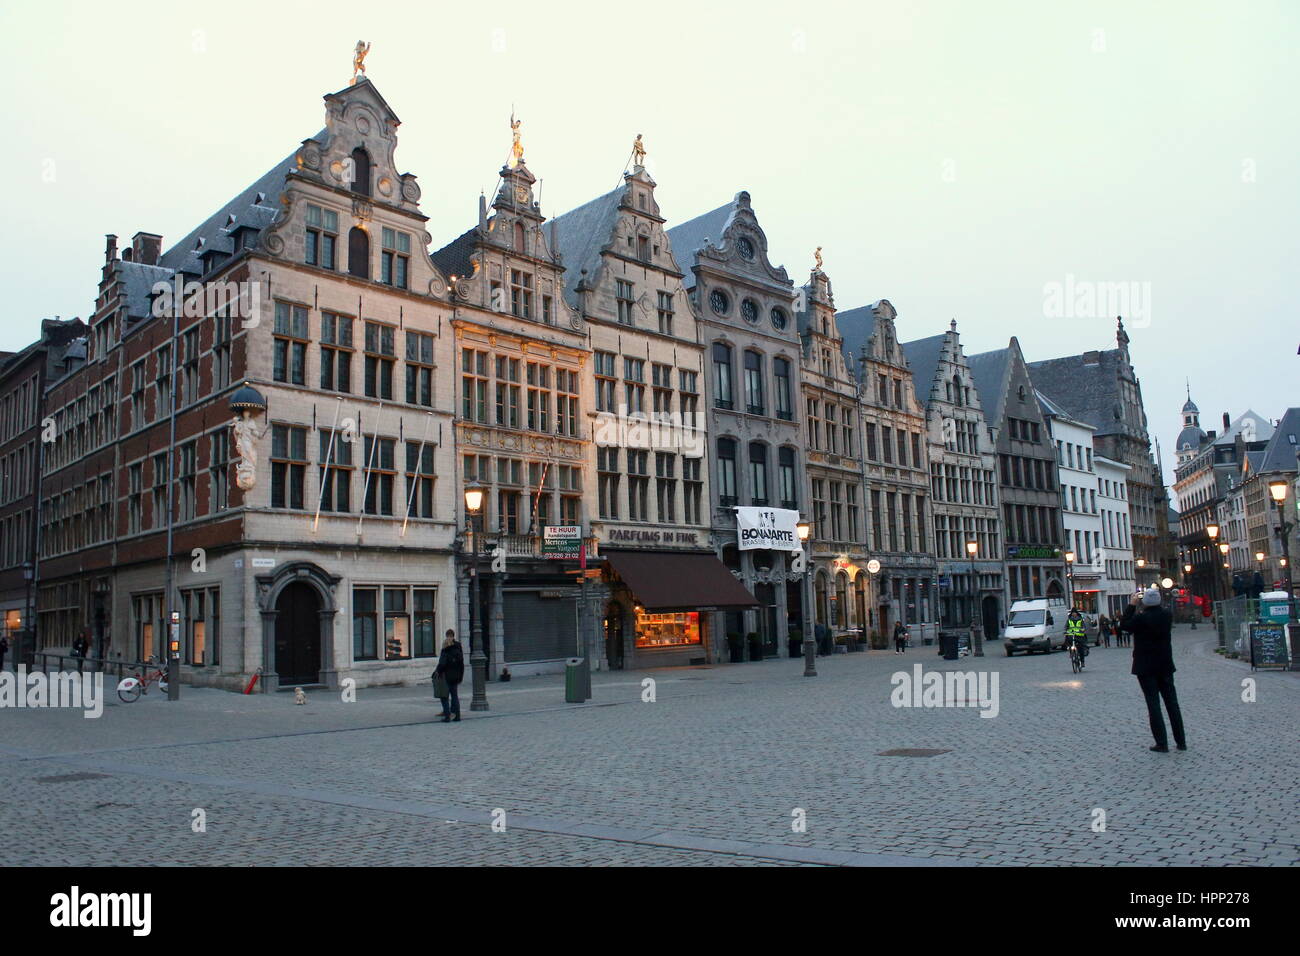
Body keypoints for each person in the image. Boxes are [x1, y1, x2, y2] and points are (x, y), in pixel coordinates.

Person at [1119, 587, 1187, 753]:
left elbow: (1123, 625)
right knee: (1172, 703)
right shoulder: (1167, 616)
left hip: (1146, 666)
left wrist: (1131, 605)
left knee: (1153, 704)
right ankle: (1181, 741)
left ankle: (1162, 743)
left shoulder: (1141, 619)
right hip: (1165, 665)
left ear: (1145, 602)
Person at [434, 629, 465, 723]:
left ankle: (447, 715)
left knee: (444, 696)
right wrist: (460, 675)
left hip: (447, 675)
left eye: (448, 636)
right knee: (454, 695)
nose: (448, 638)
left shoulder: (446, 648)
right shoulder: (458, 647)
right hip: (456, 675)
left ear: (448, 636)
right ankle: (457, 715)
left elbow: (442, 663)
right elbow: (461, 663)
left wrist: (437, 672)